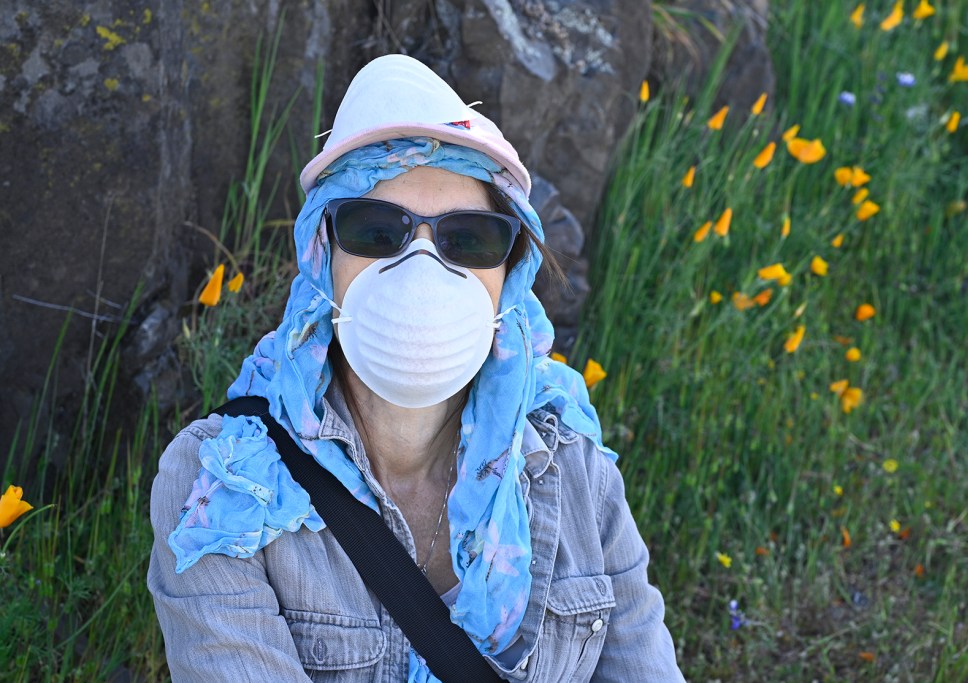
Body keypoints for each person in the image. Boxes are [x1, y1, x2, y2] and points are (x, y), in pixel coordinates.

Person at [148, 54, 685, 682]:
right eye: (377, 231)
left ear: (509, 273)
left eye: (469, 238)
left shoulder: (571, 465)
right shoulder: (222, 488)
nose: (423, 270)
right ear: (322, 257)